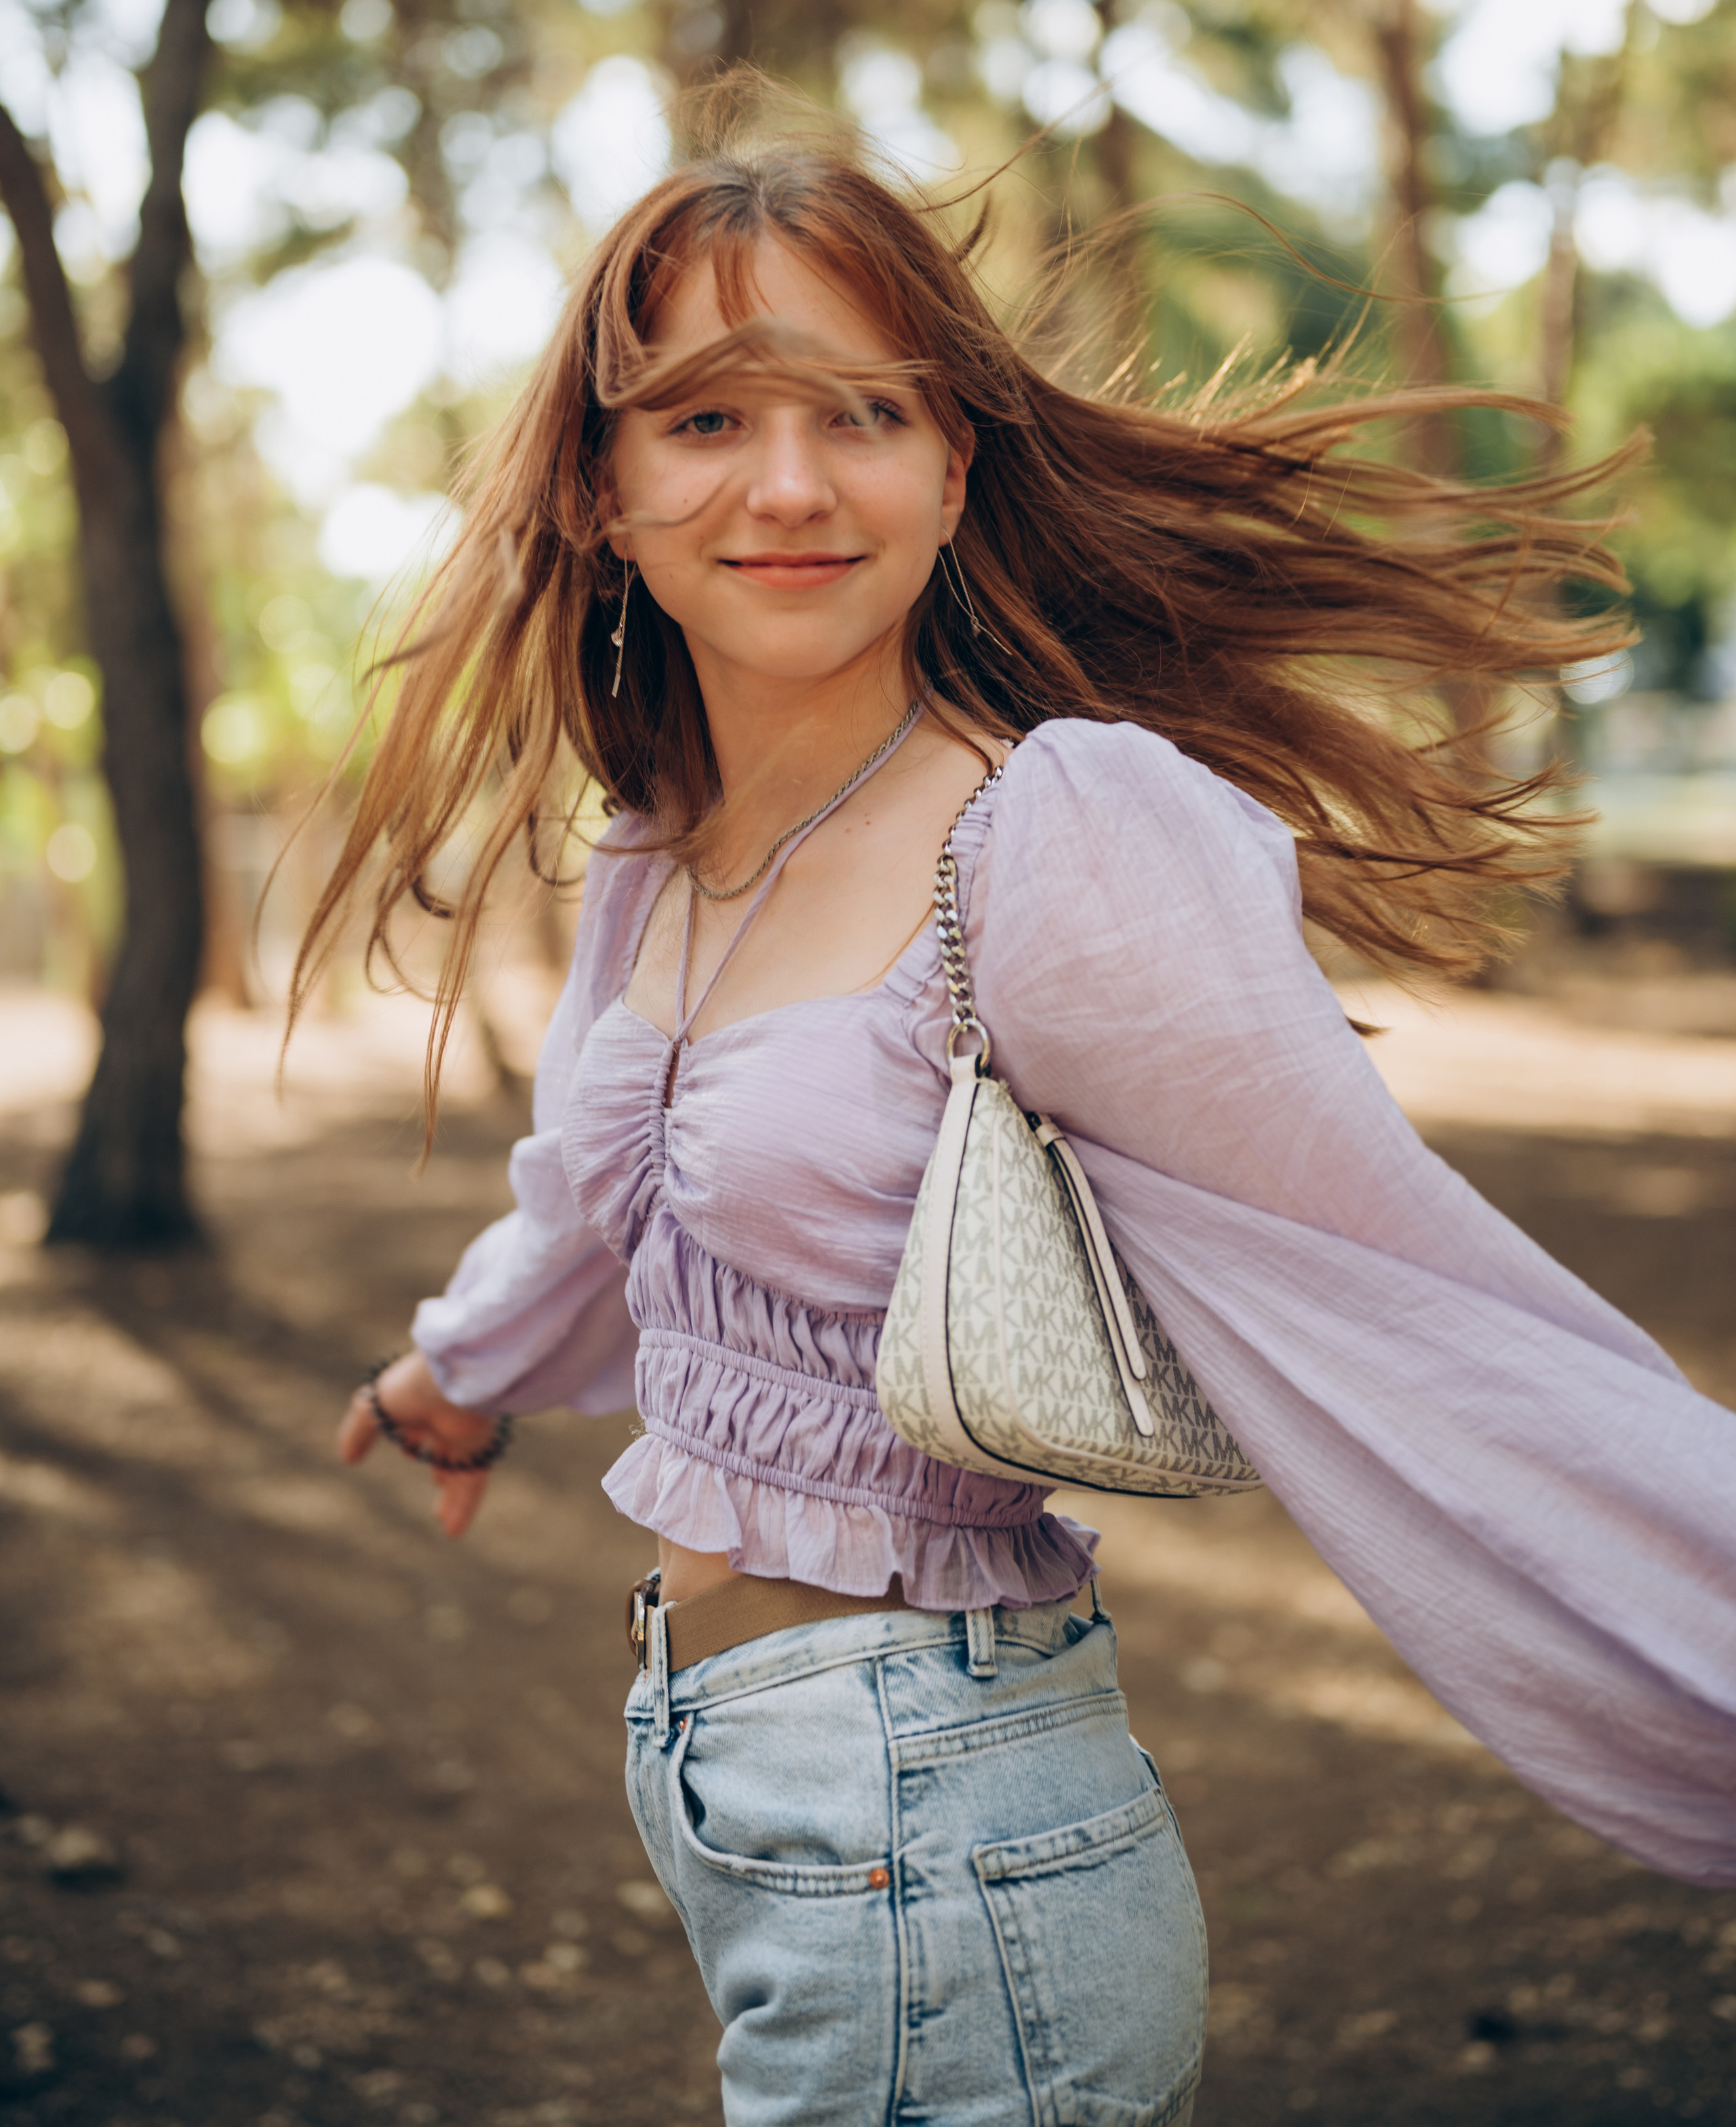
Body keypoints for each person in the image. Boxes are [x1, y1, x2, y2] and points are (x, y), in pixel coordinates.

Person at [311, 132, 1736, 2127]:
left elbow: (1420, 1289)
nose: (790, 484)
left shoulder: (1060, 832)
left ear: (955, 467)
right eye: (709, 418)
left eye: (862, 414)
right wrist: (457, 1372)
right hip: (773, 1819)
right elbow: (604, 1200)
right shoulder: (661, 846)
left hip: (954, 1847)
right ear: (600, 491)